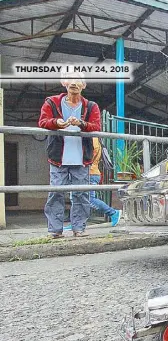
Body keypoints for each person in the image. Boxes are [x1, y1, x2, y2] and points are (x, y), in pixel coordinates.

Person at [38, 72, 101, 238]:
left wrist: (82, 123)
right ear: (64, 83)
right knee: (56, 193)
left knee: (81, 194)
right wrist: (55, 122)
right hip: (58, 158)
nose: (74, 83)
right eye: (71, 80)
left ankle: (79, 228)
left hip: (81, 159)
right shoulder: (51, 102)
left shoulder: (91, 106)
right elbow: (43, 122)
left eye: (78, 80)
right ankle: (55, 230)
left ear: (84, 85)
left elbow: (96, 126)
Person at [64, 137, 121, 230]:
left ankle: (113, 213)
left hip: (88, 173)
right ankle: (76, 223)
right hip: (91, 172)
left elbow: (86, 156)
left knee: (88, 199)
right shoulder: (96, 139)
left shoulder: (91, 139)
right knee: (77, 198)